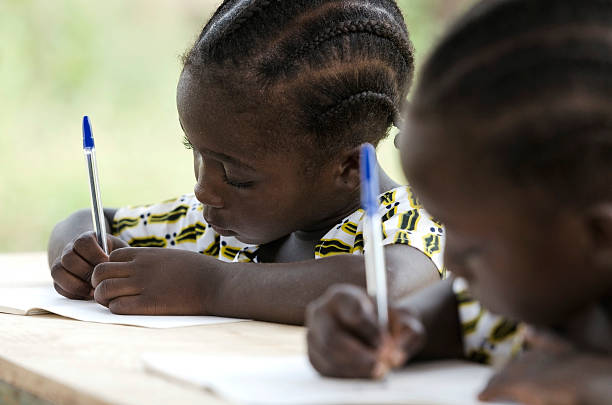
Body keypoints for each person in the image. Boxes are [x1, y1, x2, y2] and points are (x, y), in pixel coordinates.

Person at [47, 0, 444, 325]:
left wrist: (208, 287)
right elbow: (89, 219)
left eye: (236, 176)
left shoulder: (404, 221)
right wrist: (85, 255)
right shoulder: (220, 227)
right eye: (194, 151)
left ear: (350, 169)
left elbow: (388, 285)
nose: (204, 188)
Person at [306, 0, 612, 403]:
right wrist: (401, 326)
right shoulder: (558, 298)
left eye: (474, 245)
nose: (448, 261)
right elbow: (456, 309)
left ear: (601, 236)